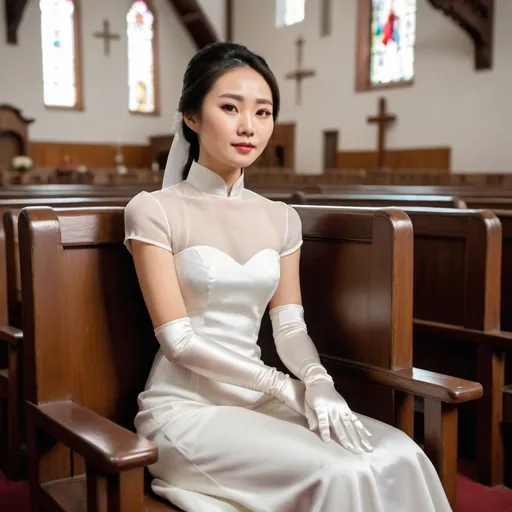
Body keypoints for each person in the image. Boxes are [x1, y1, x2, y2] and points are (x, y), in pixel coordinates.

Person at [124, 42, 451, 512]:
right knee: (340, 469)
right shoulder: (153, 210)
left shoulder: (281, 218)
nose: (248, 127)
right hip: (189, 409)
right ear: (191, 117)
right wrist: (283, 385)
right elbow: (178, 341)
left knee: (399, 451)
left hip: (262, 401)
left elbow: (290, 327)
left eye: (263, 112)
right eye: (229, 107)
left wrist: (318, 379)